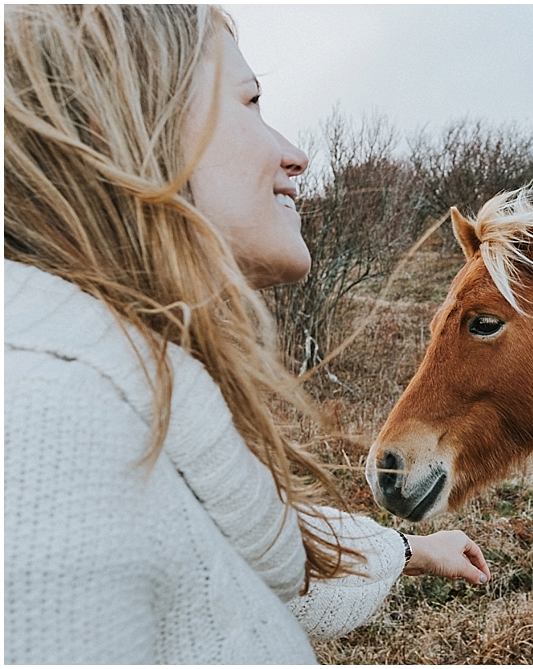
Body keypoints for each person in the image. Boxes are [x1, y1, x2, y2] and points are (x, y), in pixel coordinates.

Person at [4, 5, 489, 664]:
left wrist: (409, 548)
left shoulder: (124, 397)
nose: (296, 155)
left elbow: (232, 544)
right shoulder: (51, 432)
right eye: (251, 102)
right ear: (121, 129)